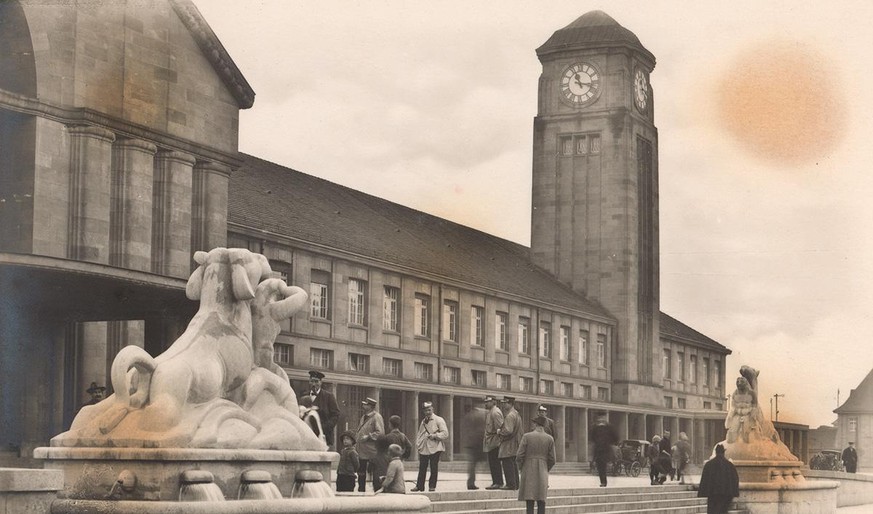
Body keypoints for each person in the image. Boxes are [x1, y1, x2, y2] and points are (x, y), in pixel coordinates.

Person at [517, 415, 556, 514]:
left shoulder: (527, 436)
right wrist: (545, 467)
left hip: (528, 469)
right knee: (541, 499)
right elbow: (553, 459)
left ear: (535, 424)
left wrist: (521, 467)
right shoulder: (549, 438)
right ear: (544, 426)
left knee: (529, 499)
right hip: (543, 470)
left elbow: (519, 455)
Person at [298, 370, 341, 448]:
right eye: (312, 381)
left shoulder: (328, 396)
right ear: (309, 382)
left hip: (325, 436)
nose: (314, 384)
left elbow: (336, 415)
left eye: (316, 381)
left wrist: (324, 427)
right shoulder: (304, 395)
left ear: (321, 382)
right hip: (307, 435)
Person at [412, 401, 448, 492]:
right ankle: (419, 486)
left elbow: (445, 433)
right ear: (423, 411)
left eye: (429, 410)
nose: (428, 412)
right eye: (426, 410)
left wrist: (435, 436)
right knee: (422, 466)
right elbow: (420, 433)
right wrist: (418, 443)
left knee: (433, 467)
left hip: (435, 447)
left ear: (433, 409)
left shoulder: (439, 419)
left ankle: (432, 486)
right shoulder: (423, 421)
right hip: (424, 447)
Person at [373, 415, 412, 490]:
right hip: (399, 459)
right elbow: (409, 446)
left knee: (390, 475)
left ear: (390, 424)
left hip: (389, 460)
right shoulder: (402, 436)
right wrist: (404, 456)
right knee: (398, 476)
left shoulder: (387, 437)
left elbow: (383, 449)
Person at [697, 443, 739, 514]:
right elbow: (735, 479)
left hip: (712, 495)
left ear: (716, 452)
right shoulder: (729, 465)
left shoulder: (709, 465)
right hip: (726, 495)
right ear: (723, 452)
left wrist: (703, 492)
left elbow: (704, 480)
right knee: (722, 511)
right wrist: (733, 493)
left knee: (712, 511)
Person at [354, 397, 384, 492]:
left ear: (371, 406)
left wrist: (368, 437)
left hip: (372, 451)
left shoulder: (377, 417)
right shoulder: (364, 417)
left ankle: (377, 491)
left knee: (375, 473)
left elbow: (380, 433)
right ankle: (361, 491)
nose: (363, 405)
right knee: (361, 473)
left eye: (365, 404)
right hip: (362, 450)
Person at [498, 396, 523, 490]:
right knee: (513, 464)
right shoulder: (516, 414)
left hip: (508, 444)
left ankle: (510, 484)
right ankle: (516, 484)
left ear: (510, 403)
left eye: (505, 403)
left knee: (507, 463)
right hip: (515, 443)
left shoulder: (510, 415)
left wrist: (499, 432)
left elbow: (508, 430)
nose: (503, 405)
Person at [460, 403, 487, 490]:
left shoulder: (468, 416)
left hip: (470, 444)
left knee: (472, 464)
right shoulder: (480, 416)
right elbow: (481, 431)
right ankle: (472, 482)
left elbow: (465, 430)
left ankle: (471, 483)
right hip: (477, 445)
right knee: (477, 463)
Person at [588, 412, 618, 487]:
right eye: (600, 417)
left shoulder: (609, 427)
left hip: (606, 449)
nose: (601, 419)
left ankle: (604, 481)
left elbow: (615, 438)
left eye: (602, 417)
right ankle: (603, 481)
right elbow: (591, 437)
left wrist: (608, 442)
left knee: (603, 465)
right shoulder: (595, 427)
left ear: (605, 418)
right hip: (598, 449)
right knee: (599, 466)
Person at [483, 395, 505, 490]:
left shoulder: (495, 412)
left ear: (494, 402)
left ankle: (498, 482)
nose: (486, 403)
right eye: (485, 401)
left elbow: (500, 428)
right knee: (492, 462)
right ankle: (495, 481)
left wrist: (499, 442)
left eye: (488, 402)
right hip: (491, 441)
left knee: (495, 462)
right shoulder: (491, 412)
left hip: (495, 442)